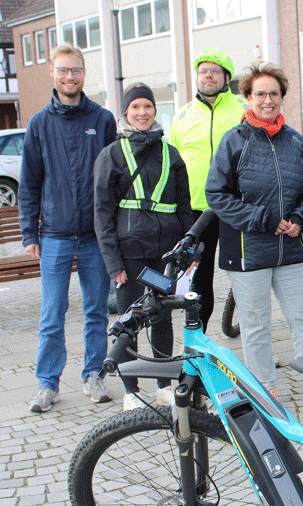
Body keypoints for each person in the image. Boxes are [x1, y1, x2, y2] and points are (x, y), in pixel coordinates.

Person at [206, 62, 303, 403]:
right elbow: (217, 195)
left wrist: (301, 218)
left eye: (274, 93)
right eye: (260, 93)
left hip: (289, 249)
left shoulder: (294, 141)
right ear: (248, 97)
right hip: (247, 251)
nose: (267, 100)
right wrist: (265, 219)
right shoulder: (234, 141)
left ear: (282, 97)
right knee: (256, 326)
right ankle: (262, 391)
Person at [18, 43, 116, 412]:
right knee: (52, 313)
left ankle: (94, 374)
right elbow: (29, 182)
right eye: (63, 70)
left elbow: (114, 178)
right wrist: (29, 232)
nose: (69, 76)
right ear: (52, 73)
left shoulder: (102, 119)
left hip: (94, 236)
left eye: (75, 70)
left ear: (84, 73)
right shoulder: (40, 123)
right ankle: (47, 384)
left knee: (95, 311)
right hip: (54, 235)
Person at [93, 83, 195, 411]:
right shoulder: (111, 155)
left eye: (147, 107)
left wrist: (189, 254)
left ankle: (164, 385)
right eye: (135, 107)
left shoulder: (170, 153)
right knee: (129, 321)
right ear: (125, 112)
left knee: (162, 318)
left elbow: (183, 209)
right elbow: (102, 214)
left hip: (164, 253)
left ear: (154, 110)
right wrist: (113, 264)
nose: (142, 113)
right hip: (130, 253)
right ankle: (130, 390)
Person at [169, 48, 249, 331]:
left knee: (245, 275)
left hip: (235, 208)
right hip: (196, 211)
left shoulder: (243, 109)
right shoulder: (182, 116)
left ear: (226, 77)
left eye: (215, 71)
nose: (209, 76)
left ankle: (254, 338)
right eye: (203, 71)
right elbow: (173, 165)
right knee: (199, 281)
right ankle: (198, 345)